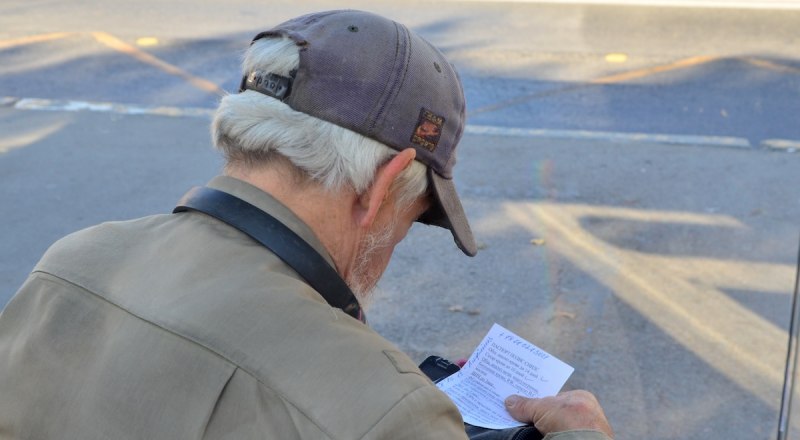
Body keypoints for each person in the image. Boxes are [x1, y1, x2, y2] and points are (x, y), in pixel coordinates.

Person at [0, 10, 613, 440]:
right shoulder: (386, 408)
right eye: (414, 217)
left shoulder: (70, 263)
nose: (396, 241)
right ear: (381, 186)